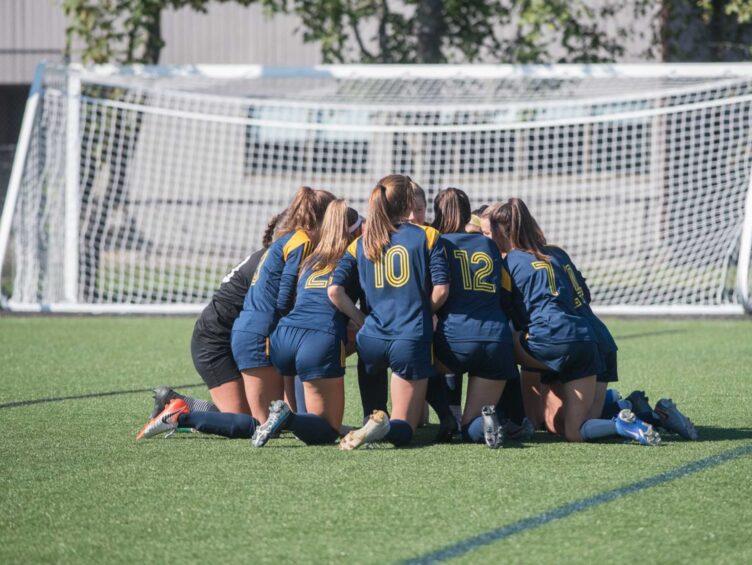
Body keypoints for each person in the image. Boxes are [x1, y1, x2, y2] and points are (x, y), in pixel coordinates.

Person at [481, 198, 661, 445]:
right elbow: (582, 296)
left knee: (498, 344)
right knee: (570, 429)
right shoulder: (556, 254)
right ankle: (632, 414)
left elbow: (502, 307)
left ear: (502, 232)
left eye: (488, 233)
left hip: (551, 339)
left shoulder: (508, 263)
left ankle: (509, 418)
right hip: (591, 338)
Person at [329, 174, 450, 449]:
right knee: (404, 429)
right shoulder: (428, 236)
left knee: (375, 415)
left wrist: (362, 320)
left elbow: (334, 291)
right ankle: (381, 429)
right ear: (408, 202)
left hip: (371, 339)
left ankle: (372, 427)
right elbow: (441, 290)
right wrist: (422, 310)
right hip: (408, 338)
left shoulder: (360, 242)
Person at [251, 202, 364, 446]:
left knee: (308, 422)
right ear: (354, 232)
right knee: (328, 431)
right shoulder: (353, 256)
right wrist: (362, 321)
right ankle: (287, 418)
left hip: (284, 336)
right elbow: (335, 293)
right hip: (318, 338)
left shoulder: (311, 257)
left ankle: (288, 418)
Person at [231, 186, 336, 423]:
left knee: (276, 421)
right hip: (261, 334)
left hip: (251, 329)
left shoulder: (287, 239)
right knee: (264, 425)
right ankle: (186, 416)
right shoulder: (302, 241)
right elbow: (285, 295)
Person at [432, 188, 520, 448]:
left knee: (410, 359)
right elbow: (505, 292)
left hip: (453, 339)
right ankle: (484, 422)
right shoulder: (488, 244)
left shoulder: (437, 242)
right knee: (471, 427)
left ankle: (445, 415)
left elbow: (434, 291)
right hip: (495, 338)